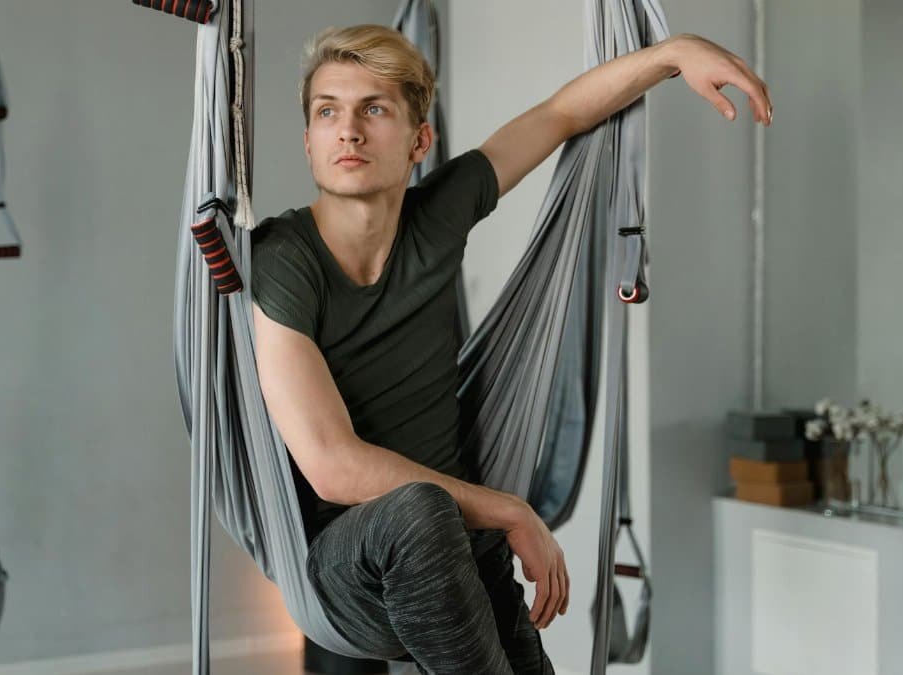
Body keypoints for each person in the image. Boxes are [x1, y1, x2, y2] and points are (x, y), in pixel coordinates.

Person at [250, 24, 771, 675]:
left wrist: (671, 54)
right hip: (345, 566)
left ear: (420, 141)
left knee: (451, 541)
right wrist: (510, 510)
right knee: (419, 509)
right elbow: (333, 465)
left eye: (373, 108)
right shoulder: (282, 259)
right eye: (328, 111)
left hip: (461, 547)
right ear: (308, 141)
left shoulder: (437, 218)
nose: (348, 130)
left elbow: (560, 114)